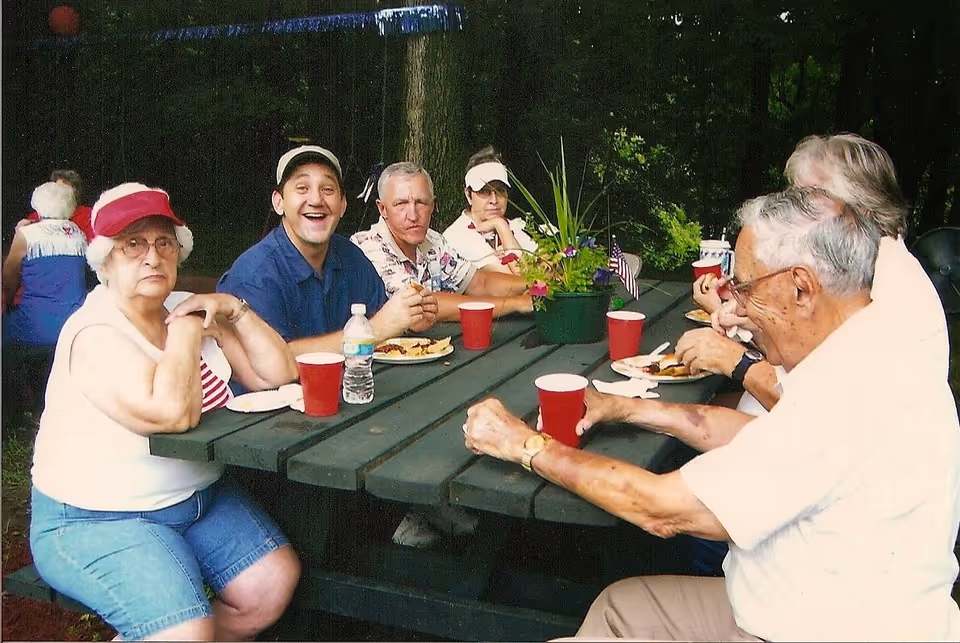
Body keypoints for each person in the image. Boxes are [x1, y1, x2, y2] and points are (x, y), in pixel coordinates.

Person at [464, 187, 960, 641]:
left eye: (743, 288)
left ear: (802, 289)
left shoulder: (843, 393)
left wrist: (524, 445)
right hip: (828, 608)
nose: (733, 307)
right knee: (620, 605)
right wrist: (626, 407)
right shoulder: (869, 340)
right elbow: (757, 436)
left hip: (809, 631)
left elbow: (660, 509)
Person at [29, 182, 302, 641]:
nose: (152, 257)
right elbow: (171, 415)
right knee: (185, 633)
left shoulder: (182, 307)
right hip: (98, 518)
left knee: (270, 586)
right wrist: (188, 333)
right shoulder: (94, 333)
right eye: (132, 245)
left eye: (163, 243)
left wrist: (233, 309)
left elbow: (276, 375)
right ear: (104, 260)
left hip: (198, 500)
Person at [675, 133, 949, 412]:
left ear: (858, 208)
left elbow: (825, 413)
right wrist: (748, 310)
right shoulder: (871, 262)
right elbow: (804, 353)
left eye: (807, 201)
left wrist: (737, 360)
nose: (792, 212)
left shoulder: (888, 291)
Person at [218, 146, 438, 356]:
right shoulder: (253, 277)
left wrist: (411, 319)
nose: (316, 200)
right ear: (279, 202)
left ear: (342, 205)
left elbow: (385, 320)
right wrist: (375, 330)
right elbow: (275, 363)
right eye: (302, 188)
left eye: (328, 190)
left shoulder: (351, 257)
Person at [351, 161, 533, 321]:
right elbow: (422, 306)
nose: (413, 215)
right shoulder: (369, 246)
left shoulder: (433, 240)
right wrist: (515, 303)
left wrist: (541, 285)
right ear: (382, 209)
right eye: (401, 204)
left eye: (421, 202)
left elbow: (479, 282)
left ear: (432, 205)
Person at [2, 181, 87, 346]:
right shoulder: (78, 233)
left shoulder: (27, 234)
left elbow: (8, 277)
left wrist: (10, 304)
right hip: (75, 325)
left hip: (35, 326)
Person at [442, 146, 536, 275]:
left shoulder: (515, 226)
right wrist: (501, 226)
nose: (494, 200)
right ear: (468, 195)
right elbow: (523, 278)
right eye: (484, 191)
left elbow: (553, 271)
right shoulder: (458, 235)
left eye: (500, 190)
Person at [19, 169, 96, 241]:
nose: (59, 192)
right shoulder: (36, 216)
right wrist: (20, 232)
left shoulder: (88, 215)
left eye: (64, 189)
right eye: (56, 188)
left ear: (76, 193)